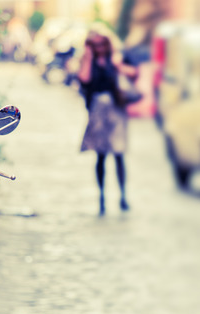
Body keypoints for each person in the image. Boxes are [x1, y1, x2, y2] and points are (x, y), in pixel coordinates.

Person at [77, 28, 138, 216]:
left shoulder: (118, 57)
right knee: (101, 155)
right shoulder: (88, 60)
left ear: (108, 43)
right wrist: (88, 56)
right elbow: (84, 79)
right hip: (97, 111)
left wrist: (117, 65)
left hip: (117, 110)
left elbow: (134, 74)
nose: (100, 48)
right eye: (95, 45)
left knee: (119, 154)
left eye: (103, 44)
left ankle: (123, 196)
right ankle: (102, 197)